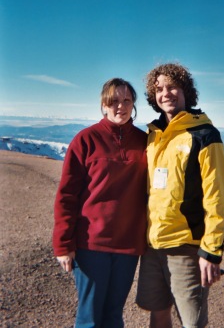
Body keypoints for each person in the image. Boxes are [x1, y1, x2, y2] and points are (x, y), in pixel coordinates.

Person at [136, 63, 224, 328]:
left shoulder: (204, 134)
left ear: (186, 91)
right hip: (153, 245)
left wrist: (211, 252)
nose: (165, 93)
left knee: (192, 323)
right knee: (158, 312)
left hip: (187, 248)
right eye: (159, 89)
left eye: (172, 87)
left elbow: (219, 197)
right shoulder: (153, 135)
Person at [52, 78, 148, 328]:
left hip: (128, 246)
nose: (120, 106)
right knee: (90, 318)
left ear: (133, 105)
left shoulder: (145, 143)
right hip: (91, 245)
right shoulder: (85, 140)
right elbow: (67, 195)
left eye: (126, 100)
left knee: (114, 316)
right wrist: (63, 244)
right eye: (114, 101)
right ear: (103, 105)